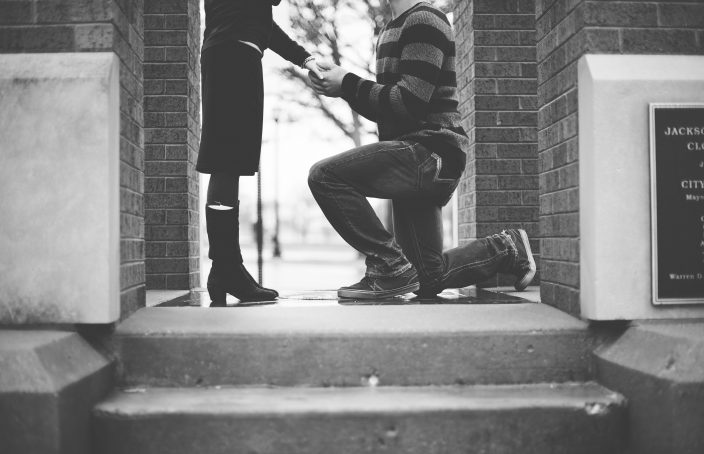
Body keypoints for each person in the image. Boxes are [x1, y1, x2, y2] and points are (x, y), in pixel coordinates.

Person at [307, 0, 536, 299]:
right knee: (425, 278)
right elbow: (390, 108)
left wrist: (348, 84)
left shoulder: (425, 20)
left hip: (431, 151)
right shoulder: (391, 29)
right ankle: (506, 248)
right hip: (414, 152)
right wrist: (343, 87)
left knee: (325, 176)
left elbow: (409, 102)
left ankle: (388, 265)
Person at [198, 0, 323, 304]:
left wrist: (305, 58)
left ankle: (225, 268)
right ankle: (226, 268)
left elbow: (260, 22)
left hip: (230, 52)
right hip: (235, 56)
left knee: (227, 163)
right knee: (227, 162)